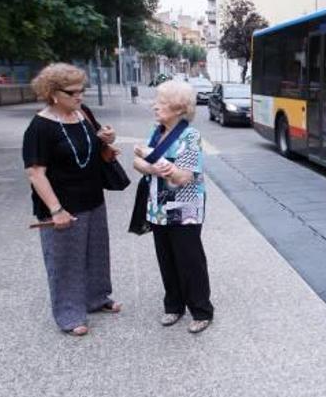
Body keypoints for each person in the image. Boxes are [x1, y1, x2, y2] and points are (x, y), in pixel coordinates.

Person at [23, 63, 121, 336]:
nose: (80, 97)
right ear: (53, 93)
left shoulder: (82, 114)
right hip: (62, 205)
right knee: (65, 260)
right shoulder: (40, 127)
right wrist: (56, 210)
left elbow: (97, 143)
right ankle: (69, 313)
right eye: (73, 93)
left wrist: (107, 139)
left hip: (93, 198)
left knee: (97, 252)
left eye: (82, 91)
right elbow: (35, 172)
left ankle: (97, 298)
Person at [133, 81, 214, 334]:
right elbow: (137, 163)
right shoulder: (157, 132)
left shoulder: (190, 136)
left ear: (179, 108)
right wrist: (150, 162)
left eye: (161, 103)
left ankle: (201, 310)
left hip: (185, 208)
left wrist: (152, 159)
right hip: (157, 207)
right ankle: (173, 306)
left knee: (190, 261)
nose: (154, 106)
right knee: (166, 259)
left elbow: (183, 177)